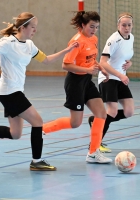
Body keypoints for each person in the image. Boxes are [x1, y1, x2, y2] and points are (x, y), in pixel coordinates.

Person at [0, 12, 79, 171]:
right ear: (23, 27)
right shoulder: (8, 42)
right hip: (9, 92)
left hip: (15, 91)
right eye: (32, 27)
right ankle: (37, 161)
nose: (35, 30)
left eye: (36, 27)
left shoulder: (29, 45)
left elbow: (46, 60)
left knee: (15, 133)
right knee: (38, 122)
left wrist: (67, 50)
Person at [42, 11, 112, 164]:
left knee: (101, 114)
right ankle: (42, 129)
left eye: (96, 27)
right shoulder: (77, 41)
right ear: (83, 25)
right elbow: (65, 65)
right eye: (91, 26)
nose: (93, 30)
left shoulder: (93, 39)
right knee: (76, 123)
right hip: (75, 83)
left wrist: (101, 68)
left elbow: (90, 60)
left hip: (87, 81)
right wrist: (87, 70)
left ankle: (93, 153)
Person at [88, 12, 135, 153]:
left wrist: (129, 63)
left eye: (129, 25)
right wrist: (120, 75)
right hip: (108, 78)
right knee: (112, 111)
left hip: (120, 78)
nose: (126, 28)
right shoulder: (113, 40)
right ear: (118, 26)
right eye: (124, 25)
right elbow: (103, 62)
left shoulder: (131, 37)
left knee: (129, 112)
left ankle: (96, 121)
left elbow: (125, 57)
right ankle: (95, 143)